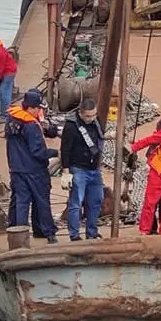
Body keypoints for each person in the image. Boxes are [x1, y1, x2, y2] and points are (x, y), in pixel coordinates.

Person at [5, 88, 59, 242]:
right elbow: (38, 152)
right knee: (41, 200)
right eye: (38, 109)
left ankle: (18, 234)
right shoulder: (31, 126)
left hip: (16, 168)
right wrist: (56, 153)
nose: (40, 111)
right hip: (34, 170)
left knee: (21, 201)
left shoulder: (11, 119)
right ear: (30, 108)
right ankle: (47, 232)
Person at [59, 96, 105, 242]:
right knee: (76, 203)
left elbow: (98, 140)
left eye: (93, 115)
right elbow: (65, 149)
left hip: (93, 169)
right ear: (80, 113)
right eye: (87, 116)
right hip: (78, 168)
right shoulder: (71, 127)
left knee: (96, 200)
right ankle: (74, 235)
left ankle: (91, 232)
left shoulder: (95, 123)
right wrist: (66, 171)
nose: (90, 119)